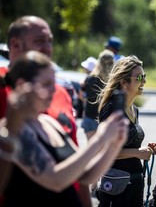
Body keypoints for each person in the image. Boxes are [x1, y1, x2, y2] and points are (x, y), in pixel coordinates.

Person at [1, 50, 129, 206]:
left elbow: (86, 175)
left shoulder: (49, 122)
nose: (54, 90)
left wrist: (113, 144)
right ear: (22, 85)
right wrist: (101, 138)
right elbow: (56, 180)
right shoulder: (14, 131)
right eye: (47, 84)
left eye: (54, 83)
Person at [0, 15, 89, 206]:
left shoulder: (60, 93)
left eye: (50, 41)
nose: (47, 48)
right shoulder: (2, 89)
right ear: (15, 46)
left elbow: (76, 161)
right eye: (40, 41)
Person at [97, 55, 156, 207]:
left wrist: (149, 149)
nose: (144, 81)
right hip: (116, 187)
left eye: (144, 76)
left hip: (134, 182)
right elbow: (105, 151)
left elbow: (129, 144)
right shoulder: (111, 109)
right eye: (139, 77)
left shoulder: (134, 110)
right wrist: (137, 153)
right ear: (124, 82)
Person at [81, 49, 115, 139]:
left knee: (91, 150)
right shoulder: (114, 81)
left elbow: (81, 94)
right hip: (107, 120)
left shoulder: (90, 79)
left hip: (90, 117)